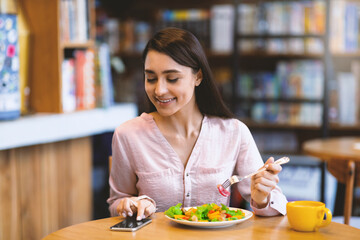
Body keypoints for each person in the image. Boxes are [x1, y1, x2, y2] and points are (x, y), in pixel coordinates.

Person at [107, 27, 287, 221]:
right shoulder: (128, 135)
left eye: (172, 78)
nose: (159, 90)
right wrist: (131, 205)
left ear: (198, 77)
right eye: (151, 78)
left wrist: (261, 198)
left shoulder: (234, 132)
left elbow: (278, 203)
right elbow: (117, 201)